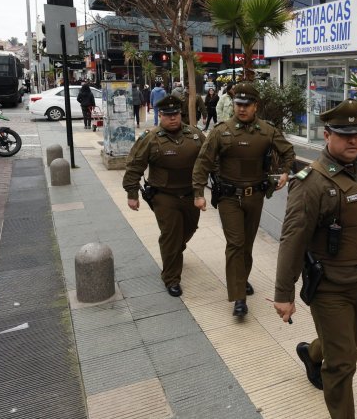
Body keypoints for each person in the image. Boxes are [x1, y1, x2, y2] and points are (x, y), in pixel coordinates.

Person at [273, 99, 357, 419]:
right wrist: (284, 294)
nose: (353, 141)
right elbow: (293, 238)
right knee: (343, 363)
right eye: (344, 135)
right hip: (329, 287)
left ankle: (312, 354)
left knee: (353, 339)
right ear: (327, 135)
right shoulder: (310, 182)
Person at [192, 82, 296, 316]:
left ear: (255, 106)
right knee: (236, 244)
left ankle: (241, 278)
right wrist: (198, 193)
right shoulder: (221, 131)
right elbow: (203, 162)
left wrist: (285, 171)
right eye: (238, 104)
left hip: (255, 197)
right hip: (229, 198)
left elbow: (288, 151)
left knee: (246, 245)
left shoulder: (267, 131)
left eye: (247, 105)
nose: (241, 108)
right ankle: (238, 297)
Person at [123, 95, 206, 297]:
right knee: (170, 235)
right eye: (168, 115)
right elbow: (135, 166)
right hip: (164, 196)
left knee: (189, 229)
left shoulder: (195, 135)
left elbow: (209, 159)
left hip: (190, 194)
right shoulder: (150, 138)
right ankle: (171, 278)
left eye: (175, 114)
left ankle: (174, 251)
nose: (172, 118)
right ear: (160, 115)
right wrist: (132, 193)